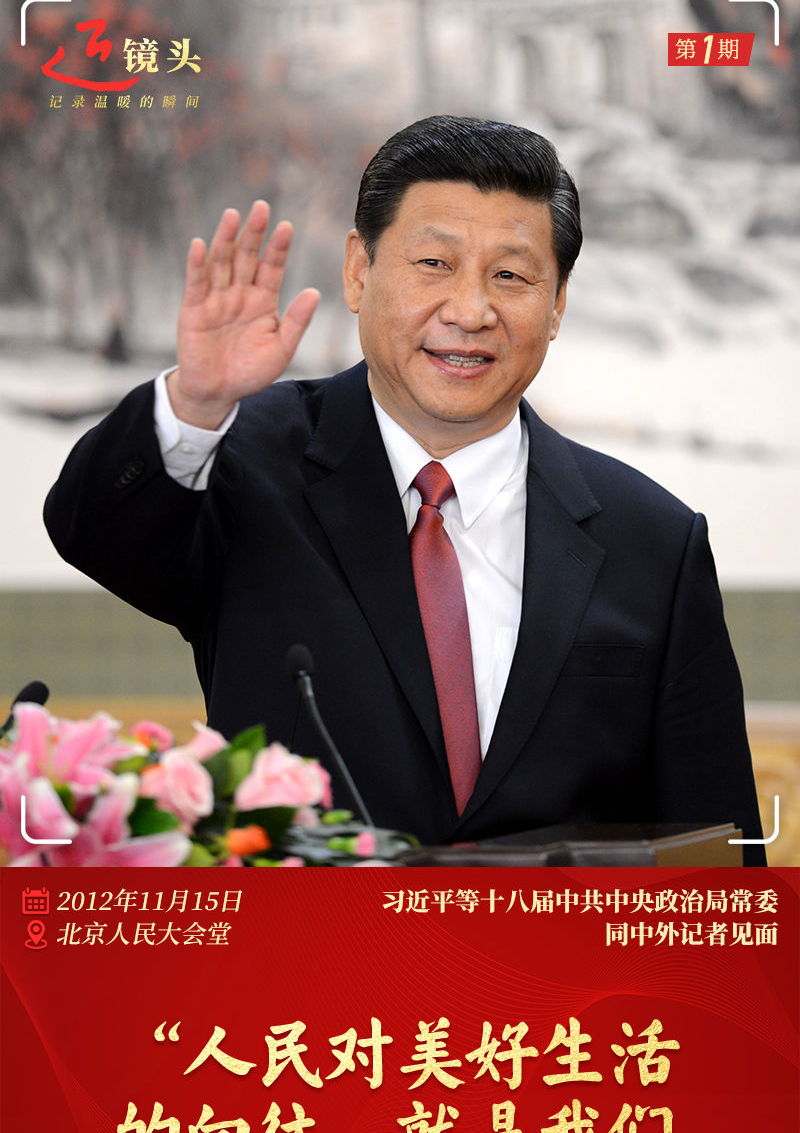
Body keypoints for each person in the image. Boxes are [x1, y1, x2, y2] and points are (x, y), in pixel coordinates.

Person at [44, 115, 765, 861]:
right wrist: (195, 402)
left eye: (510, 276)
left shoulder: (653, 540)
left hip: (551, 942)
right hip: (301, 935)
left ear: (556, 305)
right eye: (434, 263)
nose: (470, 312)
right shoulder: (245, 465)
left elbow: (713, 853)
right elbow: (95, 530)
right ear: (360, 272)